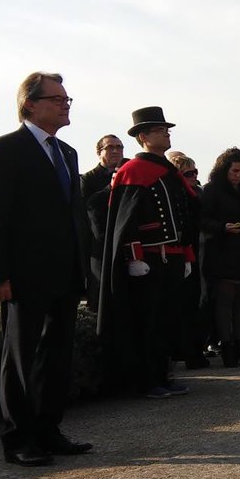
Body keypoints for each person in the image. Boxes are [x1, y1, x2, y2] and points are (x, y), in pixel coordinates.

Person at [0, 71, 91, 466]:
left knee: (57, 355)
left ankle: (48, 429)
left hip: (64, 271)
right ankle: (19, 438)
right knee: (21, 356)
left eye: (67, 99)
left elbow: (73, 215)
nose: (65, 105)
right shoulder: (6, 148)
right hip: (24, 274)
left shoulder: (67, 153)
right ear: (30, 104)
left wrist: (82, 267)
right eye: (57, 99)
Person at [99, 107, 199, 399]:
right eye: (159, 130)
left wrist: (187, 254)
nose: (166, 134)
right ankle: (147, 379)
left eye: (167, 130)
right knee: (148, 321)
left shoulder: (170, 172)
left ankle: (164, 375)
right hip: (149, 258)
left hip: (173, 256)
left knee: (168, 318)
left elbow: (183, 217)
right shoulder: (133, 170)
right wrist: (135, 256)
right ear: (143, 136)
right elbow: (125, 220)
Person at [199, 148, 240, 368]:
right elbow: (203, 220)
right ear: (224, 169)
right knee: (225, 302)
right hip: (221, 250)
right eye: (235, 171)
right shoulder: (212, 190)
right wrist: (223, 227)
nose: (238, 175)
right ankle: (227, 347)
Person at [165, 151, 209, 370]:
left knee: (196, 304)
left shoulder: (197, 193)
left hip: (197, 251)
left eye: (195, 172)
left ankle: (194, 350)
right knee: (182, 306)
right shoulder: (174, 194)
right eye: (188, 173)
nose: (193, 176)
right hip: (179, 253)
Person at [81, 135, 125, 312]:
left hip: (125, 245)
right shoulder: (88, 179)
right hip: (100, 247)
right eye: (110, 147)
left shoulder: (129, 172)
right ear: (99, 152)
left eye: (119, 147)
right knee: (102, 301)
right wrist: (111, 187)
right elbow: (88, 210)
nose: (116, 151)